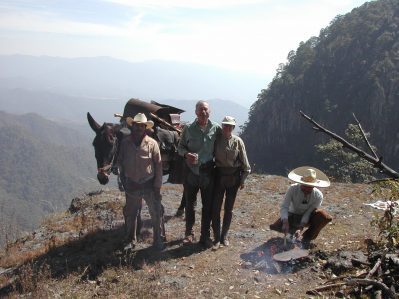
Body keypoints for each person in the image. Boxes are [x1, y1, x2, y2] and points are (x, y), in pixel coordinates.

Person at [117, 113, 164, 250]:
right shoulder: (125, 143)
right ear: (133, 126)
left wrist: (157, 186)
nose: (139, 128)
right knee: (130, 213)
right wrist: (122, 178)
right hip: (132, 184)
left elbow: (158, 165)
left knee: (155, 212)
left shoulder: (152, 144)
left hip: (149, 184)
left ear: (145, 127)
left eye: (141, 126)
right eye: (136, 125)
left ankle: (157, 239)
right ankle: (130, 239)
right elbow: (120, 161)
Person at [177, 100, 221, 248]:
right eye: (200, 109)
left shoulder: (216, 128)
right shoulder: (188, 128)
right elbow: (180, 147)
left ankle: (205, 235)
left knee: (207, 205)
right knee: (190, 204)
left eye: (206, 109)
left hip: (208, 172)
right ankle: (189, 233)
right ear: (195, 112)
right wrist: (186, 154)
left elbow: (223, 143)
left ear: (210, 112)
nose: (203, 112)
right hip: (191, 172)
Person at [211, 116, 251, 250]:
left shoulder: (238, 142)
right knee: (216, 208)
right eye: (225, 125)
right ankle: (216, 237)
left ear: (233, 127)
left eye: (230, 126)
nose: (227, 128)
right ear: (222, 126)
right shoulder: (216, 140)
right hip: (218, 177)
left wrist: (243, 180)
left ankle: (224, 236)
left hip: (233, 179)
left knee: (229, 209)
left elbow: (246, 166)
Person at [269, 166, 332, 248]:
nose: (306, 189)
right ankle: (290, 232)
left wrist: (301, 227)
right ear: (301, 183)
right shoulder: (292, 189)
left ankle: (306, 238)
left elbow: (309, 212)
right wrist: (285, 221)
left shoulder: (318, 196)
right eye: (304, 186)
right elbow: (285, 206)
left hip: (307, 218)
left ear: (314, 186)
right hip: (292, 215)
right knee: (280, 227)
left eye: (309, 187)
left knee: (323, 216)